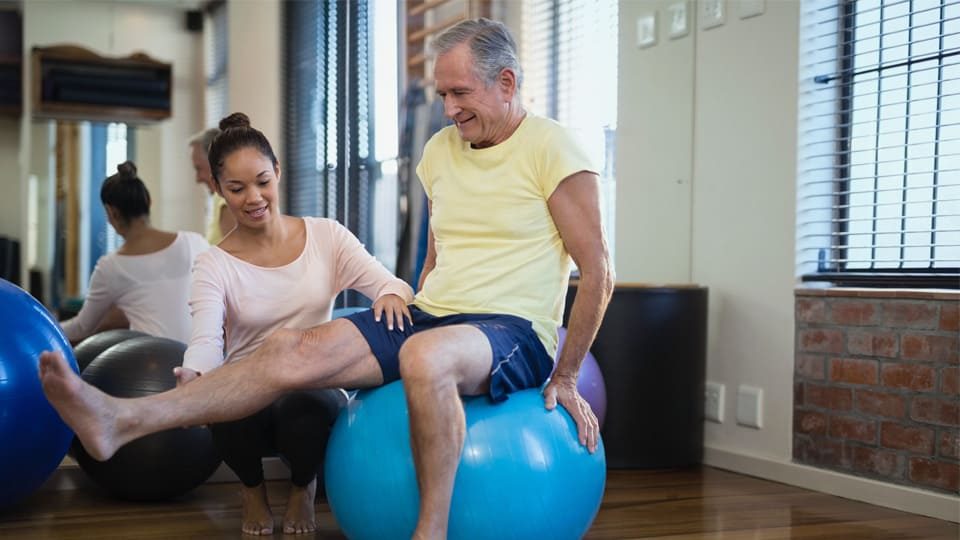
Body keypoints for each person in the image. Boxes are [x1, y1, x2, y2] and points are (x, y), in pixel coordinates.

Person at [40, 18, 613, 540]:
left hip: (511, 329)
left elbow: (598, 272)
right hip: (435, 313)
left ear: (506, 83)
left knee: (424, 358)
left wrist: (565, 372)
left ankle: (430, 532)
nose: (447, 109)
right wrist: (407, 303)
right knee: (288, 348)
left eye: (460, 93)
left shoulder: (552, 148)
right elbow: (438, 257)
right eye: (442, 94)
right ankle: (121, 420)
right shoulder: (441, 150)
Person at [176, 113, 414, 535]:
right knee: (227, 409)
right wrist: (195, 374)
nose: (254, 197)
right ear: (217, 189)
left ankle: (304, 487)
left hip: (311, 386)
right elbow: (207, 337)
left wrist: (393, 294)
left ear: (278, 173)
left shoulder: (327, 237)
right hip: (249, 386)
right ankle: (252, 489)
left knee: (305, 409)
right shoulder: (213, 263)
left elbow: (388, 283)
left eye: (262, 181)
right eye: (237, 188)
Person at [59, 161, 209, 344]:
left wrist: (46, 325)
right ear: (149, 201)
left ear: (111, 212)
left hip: (153, 367)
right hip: (205, 362)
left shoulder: (110, 267)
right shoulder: (195, 242)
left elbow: (82, 327)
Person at [188, 127, 236, 244]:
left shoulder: (225, 198)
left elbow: (240, 258)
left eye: (199, 168)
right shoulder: (223, 197)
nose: (198, 179)